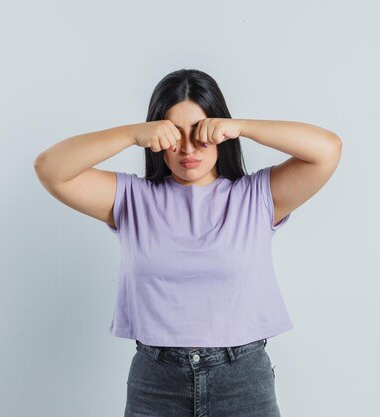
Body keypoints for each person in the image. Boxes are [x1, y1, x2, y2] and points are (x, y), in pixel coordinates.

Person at [34, 68, 342, 417]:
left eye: (200, 131)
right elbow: (50, 168)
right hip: (156, 380)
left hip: (242, 378)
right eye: (174, 133)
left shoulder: (256, 196)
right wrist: (131, 134)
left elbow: (327, 149)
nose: (188, 148)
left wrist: (242, 126)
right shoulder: (132, 198)